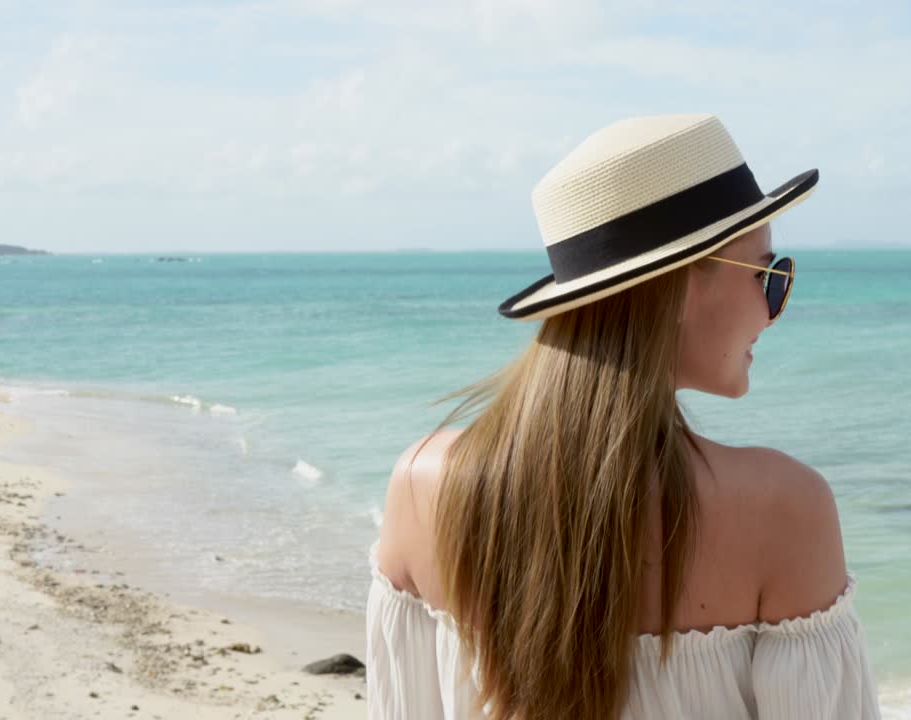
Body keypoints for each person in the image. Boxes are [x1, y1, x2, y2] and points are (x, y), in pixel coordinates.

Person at [366, 113, 880, 719]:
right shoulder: (784, 507)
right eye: (769, 274)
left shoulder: (422, 484)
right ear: (685, 284)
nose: (774, 311)